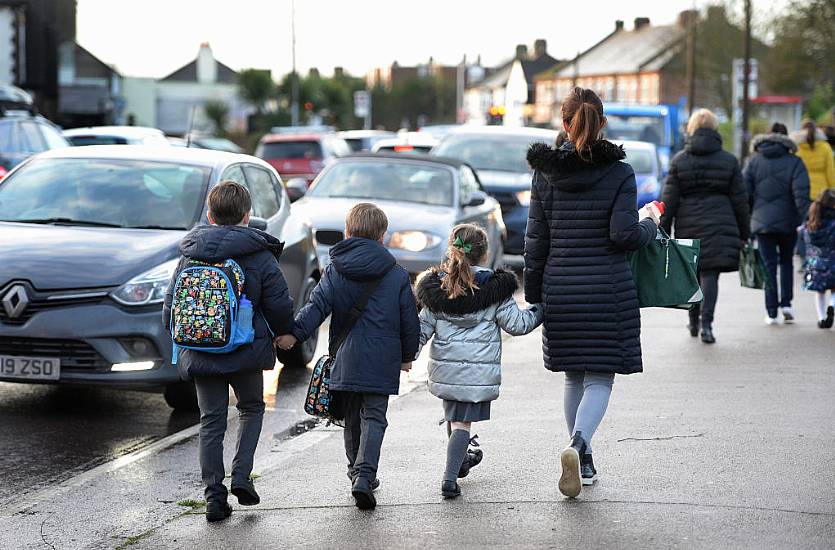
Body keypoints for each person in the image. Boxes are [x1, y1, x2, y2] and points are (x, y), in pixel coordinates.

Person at [525, 87, 661, 499]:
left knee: (573, 376)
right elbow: (623, 235)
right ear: (602, 123)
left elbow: (535, 242)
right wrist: (650, 222)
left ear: (563, 124)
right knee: (600, 377)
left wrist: (535, 296)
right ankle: (579, 446)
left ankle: (581, 458)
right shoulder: (619, 172)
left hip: (561, 286)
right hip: (607, 289)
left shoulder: (544, 174)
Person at [162, 181, 295, 522]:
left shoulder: (191, 252)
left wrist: (186, 333)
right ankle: (240, 475)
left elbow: (170, 306)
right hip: (245, 349)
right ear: (248, 217)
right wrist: (285, 334)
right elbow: (278, 302)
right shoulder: (259, 254)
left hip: (201, 350)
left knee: (211, 421)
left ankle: (213, 498)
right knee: (251, 408)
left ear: (210, 215)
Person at [277, 203, 420, 510]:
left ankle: (355, 472)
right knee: (375, 417)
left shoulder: (334, 270)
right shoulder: (395, 274)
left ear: (347, 232)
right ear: (382, 236)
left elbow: (315, 308)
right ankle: (365, 477)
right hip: (382, 359)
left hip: (346, 356)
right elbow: (410, 319)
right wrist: (408, 356)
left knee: (351, 417)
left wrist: (294, 335)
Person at [415, 224, 543, 499]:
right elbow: (518, 325)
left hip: (446, 370)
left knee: (455, 415)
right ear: (485, 256)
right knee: (462, 422)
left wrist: (405, 357)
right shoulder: (494, 290)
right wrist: (541, 311)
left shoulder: (439, 289)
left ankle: (460, 461)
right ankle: (449, 479)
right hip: (477, 374)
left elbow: (421, 330)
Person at [660, 108, 750, 343]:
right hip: (721, 223)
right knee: (710, 275)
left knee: (692, 274)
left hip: (688, 222)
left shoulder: (680, 160)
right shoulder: (729, 160)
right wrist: (745, 232)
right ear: (715, 129)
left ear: (690, 128)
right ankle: (707, 326)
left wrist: (664, 230)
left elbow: (668, 200)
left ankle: (692, 322)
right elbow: (740, 200)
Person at [744, 122, 811, 324]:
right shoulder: (795, 162)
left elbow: (744, 194)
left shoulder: (754, 162)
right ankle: (787, 304)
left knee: (768, 265)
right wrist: (806, 218)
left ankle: (771, 312)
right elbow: (800, 194)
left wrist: (747, 219)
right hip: (788, 222)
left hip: (761, 222)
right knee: (786, 262)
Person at [802, 189, 835, 329]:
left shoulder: (812, 221)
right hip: (833, 262)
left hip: (816, 265)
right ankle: (832, 305)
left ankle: (821, 319)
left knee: (819, 292)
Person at [792, 120, 835, 201]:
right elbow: (831, 172)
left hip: (801, 190)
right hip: (821, 193)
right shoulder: (825, 147)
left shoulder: (797, 147)